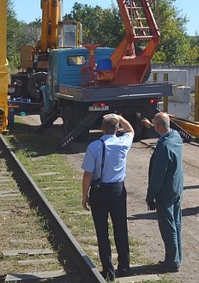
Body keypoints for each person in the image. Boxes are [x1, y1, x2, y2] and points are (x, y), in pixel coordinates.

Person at [81, 113, 135, 281]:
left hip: (99, 190)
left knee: (102, 230)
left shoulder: (94, 146)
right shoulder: (123, 143)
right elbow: (131, 130)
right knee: (120, 227)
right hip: (118, 190)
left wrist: (84, 195)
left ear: (101, 129)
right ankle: (124, 267)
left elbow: (88, 174)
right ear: (117, 129)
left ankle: (108, 270)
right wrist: (119, 117)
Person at [145, 113, 184, 273]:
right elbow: (164, 132)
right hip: (177, 188)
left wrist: (150, 196)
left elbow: (157, 176)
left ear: (158, 126)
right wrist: (150, 125)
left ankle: (171, 262)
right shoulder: (175, 137)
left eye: (155, 125)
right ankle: (177, 257)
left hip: (165, 192)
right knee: (177, 225)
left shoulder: (163, 148)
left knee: (168, 228)